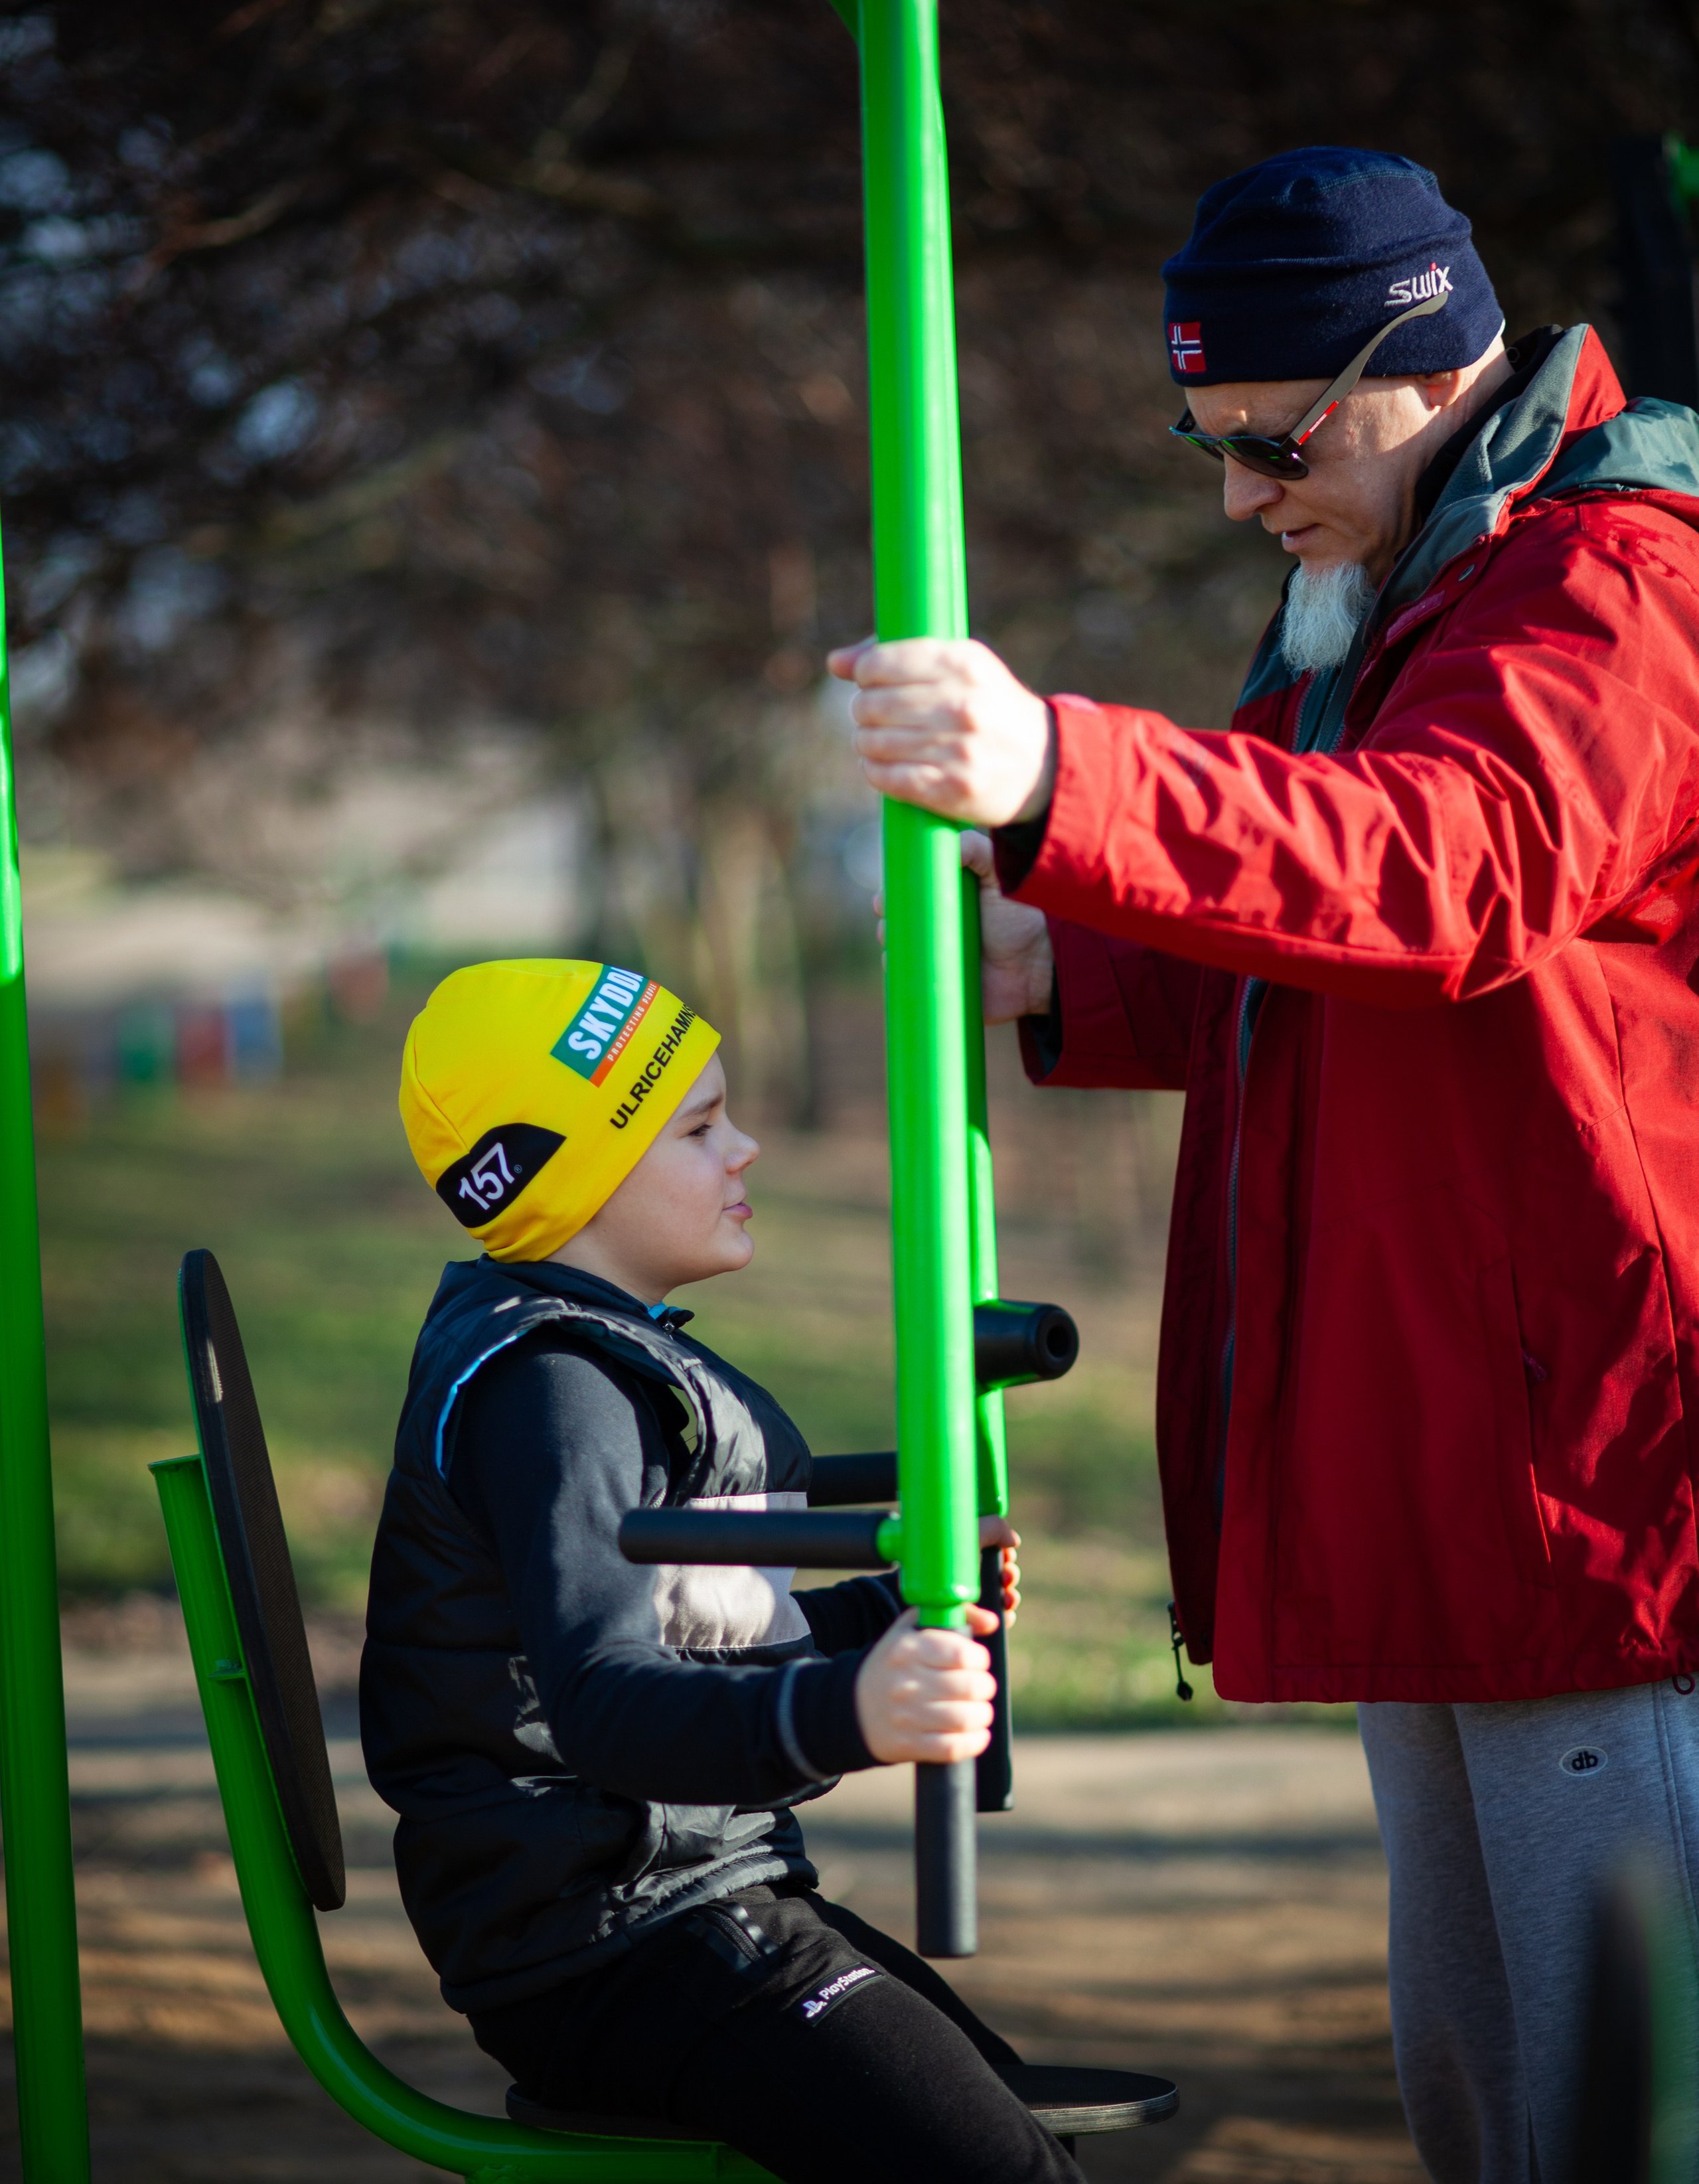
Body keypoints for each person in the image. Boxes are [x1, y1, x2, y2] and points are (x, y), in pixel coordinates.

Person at [830, 145, 1699, 2184]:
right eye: (1206, 444)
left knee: (1624, 2097)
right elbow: (1307, 959)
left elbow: (1444, 871)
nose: (1239, 496)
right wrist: (1062, 956)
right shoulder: (1382, 596)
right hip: (1447, 1450)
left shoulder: (1617, 582)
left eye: (1271, 441)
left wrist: (1071, 777)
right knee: (1485, 2082)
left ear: (1427, 367)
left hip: (1587, 1469)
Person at [360, 957, 1081, 2184]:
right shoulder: (552, 1393)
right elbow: (601, 1701)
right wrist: (851, 1708)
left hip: (685, 1896)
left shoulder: (601, 1364)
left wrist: (888, 1612)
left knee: (1013, 2123)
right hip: (610, 1942)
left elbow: (693, 1623)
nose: (745, 1147)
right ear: (576, 1175)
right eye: (699, 1126)